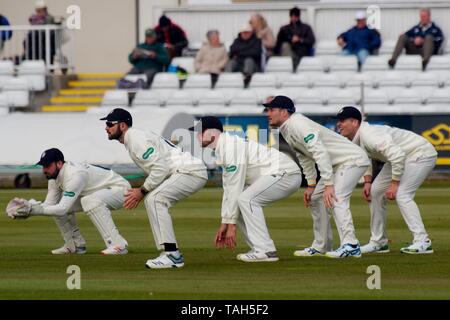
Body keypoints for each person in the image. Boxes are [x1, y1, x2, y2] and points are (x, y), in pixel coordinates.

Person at [264, 96, 370, 259]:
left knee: (336, 197)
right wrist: (312, 185)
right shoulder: (286, 128)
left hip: (352, 159)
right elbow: (304, 157)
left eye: (271, 110)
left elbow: (319, 152)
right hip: (337, 164)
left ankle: (351, 245)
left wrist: (328, 184)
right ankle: (322, 245)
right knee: (315, 198)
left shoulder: (299, 124)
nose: (267, 113)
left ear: (284, 112)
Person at [100, 108, 208, 269]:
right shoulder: (134, 138)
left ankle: (172, 255)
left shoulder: (135, 139)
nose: (106, 127)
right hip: (187, 171)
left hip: (190, 171)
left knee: (155, 200)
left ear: (122, 126)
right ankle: (169, 254)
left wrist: (141, 191)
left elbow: (161, 169)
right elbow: (161, 168)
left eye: (109, 124)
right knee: (154, 200)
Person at [190, 116, 302, 262]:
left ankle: (265, 251)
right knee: (241, 201)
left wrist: (231, 226)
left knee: (246, 199)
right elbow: (229, 190)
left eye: (200, 132)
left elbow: (235, 186)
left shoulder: (231, 147)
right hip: (280, 174)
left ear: (212, 133)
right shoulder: (224, 148)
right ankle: (259, 248)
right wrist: (225, 222)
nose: (197, 136)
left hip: (286, 173)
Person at [335, 106, 437, 254]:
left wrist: (394, 184)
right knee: (375, 192)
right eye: (338, 121)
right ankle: (379, 242)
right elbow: (364, 157)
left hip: (420, 153)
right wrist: (368, 182)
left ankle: (423, 241)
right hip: (400, 157)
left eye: (342, 120)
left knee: (403, 194)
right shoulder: (355, 138)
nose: (339, 124)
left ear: (355, 122)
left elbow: (397, 156)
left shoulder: (371, 135)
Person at [7, 148, 130, 255]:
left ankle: (117, 245)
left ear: (59, 163)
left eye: (47, 166)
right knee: (59, 206)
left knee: (90, 201)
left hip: (121, 190)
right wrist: (29, 207)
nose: (44, 170)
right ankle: (75, 245)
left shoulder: (75, 175)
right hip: (98, 192)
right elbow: (50, 205)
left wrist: (33, 210)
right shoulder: (53, 178)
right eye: (43, 166)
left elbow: (62, 209)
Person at [274, 7, 315, 71]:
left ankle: (293, 69)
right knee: (285, 46)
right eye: (292, 16)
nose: (293, 18)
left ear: (298, 16)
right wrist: (290, 39)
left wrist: (300, 40)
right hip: (288, 53)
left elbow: (311, 40)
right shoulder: (284, 28)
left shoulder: (306, 28)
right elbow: (279, 42)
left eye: (295, 16)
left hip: (301, 53)